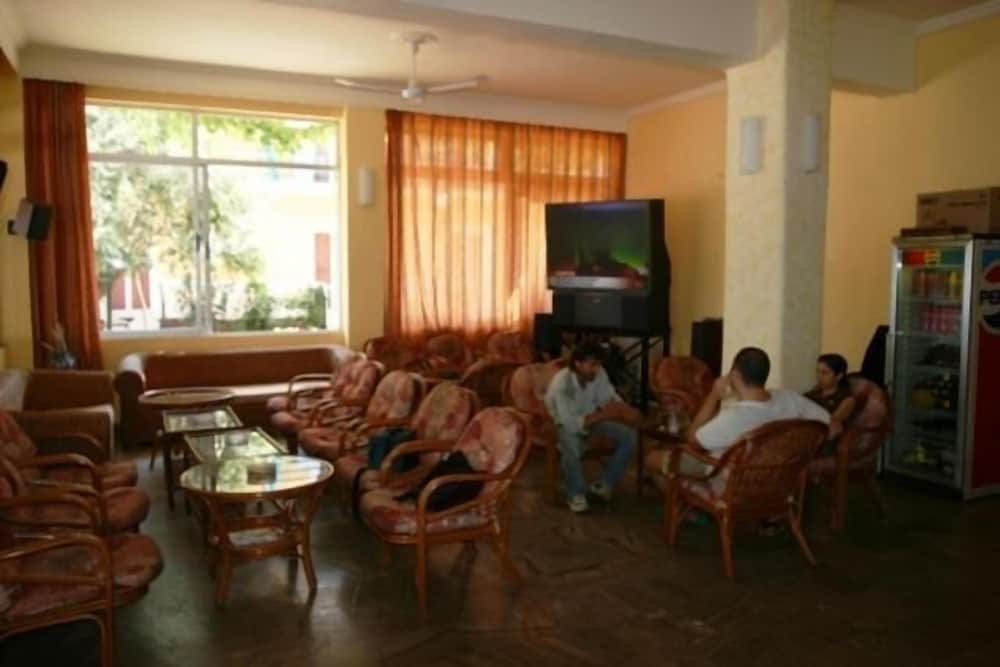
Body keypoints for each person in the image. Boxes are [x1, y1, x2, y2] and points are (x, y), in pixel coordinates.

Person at [644, 347, 830, 481]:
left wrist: (713, 395)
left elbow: (691, 440)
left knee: (651, 458)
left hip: (727, 478)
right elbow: (833, 426)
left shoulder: (732, 417)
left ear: (734, 376)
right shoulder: (791, 398)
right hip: (778, 481)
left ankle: (694, 506)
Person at [545, 342, 642, 513]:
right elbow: (570, 424)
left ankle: (604, 484)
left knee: (630, 436)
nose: (597, 369)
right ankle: (575, 493)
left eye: (598, 364)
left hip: (591, 419)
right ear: (578, 363)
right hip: (561, 424)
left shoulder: (599, 373)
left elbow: (609, 399)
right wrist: (604, 415)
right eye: (592, 365)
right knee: (571, 444)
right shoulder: (563, 384)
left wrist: (627, 411)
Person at [803, 353, 856, 442]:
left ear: (839, 376)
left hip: (825, 438)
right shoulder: (812, 394)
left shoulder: (847, 399)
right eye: (817, 371)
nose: (819, 376)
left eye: (824, 373)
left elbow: (832, 422)